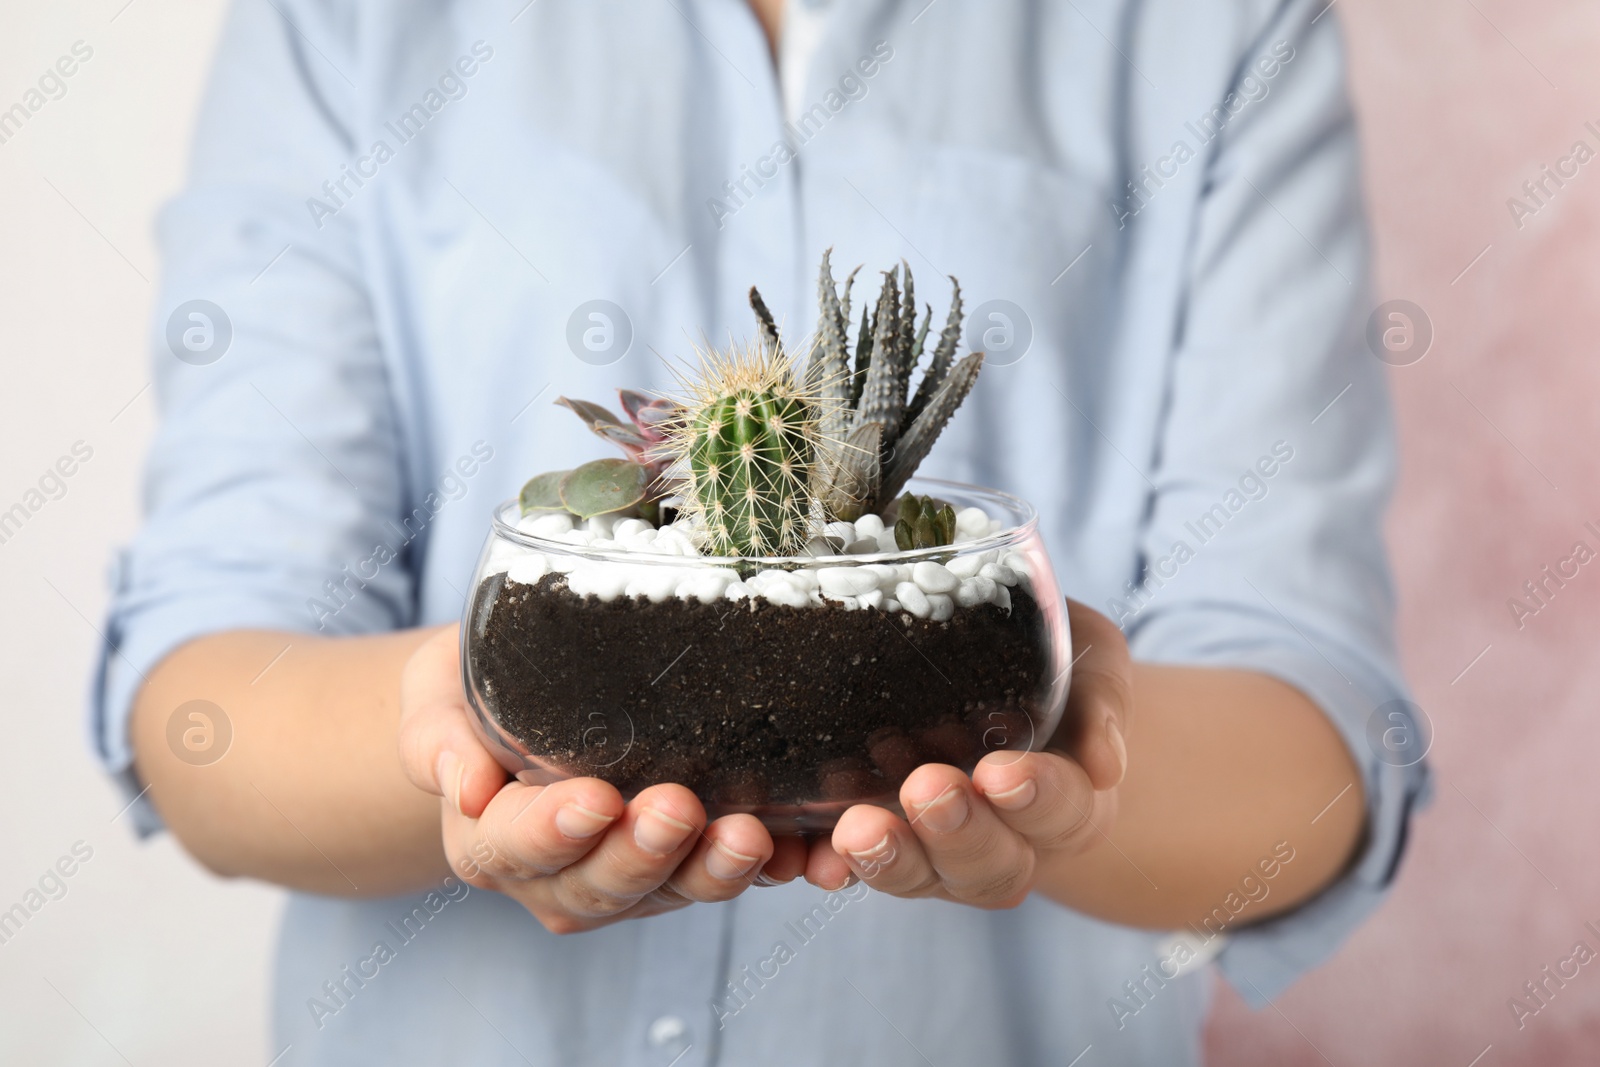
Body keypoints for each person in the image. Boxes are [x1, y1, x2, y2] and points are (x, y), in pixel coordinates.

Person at [95, 0, 1428, 1062]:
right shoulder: (344, 17)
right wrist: (449, 726)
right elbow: (203, 689)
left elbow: (1312, 732)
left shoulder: (1220, 21)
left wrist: (1073, 778)